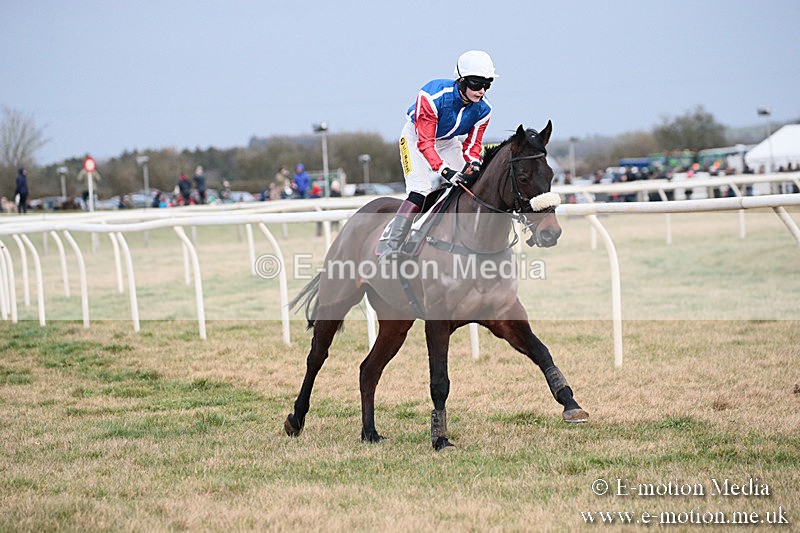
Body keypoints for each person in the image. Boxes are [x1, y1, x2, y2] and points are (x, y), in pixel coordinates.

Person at [376, 50, 497, 257]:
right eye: (477, 84)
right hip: (417, 139)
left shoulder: (484, 110)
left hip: (448, 143)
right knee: (420, 191)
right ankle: (390, 243)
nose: (482, 90)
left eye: (487, 84)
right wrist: (444, 170)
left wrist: (474, 163)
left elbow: (473, 146)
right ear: (461, 81)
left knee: (471, 186)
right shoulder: (432, 96)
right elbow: (425, 144)